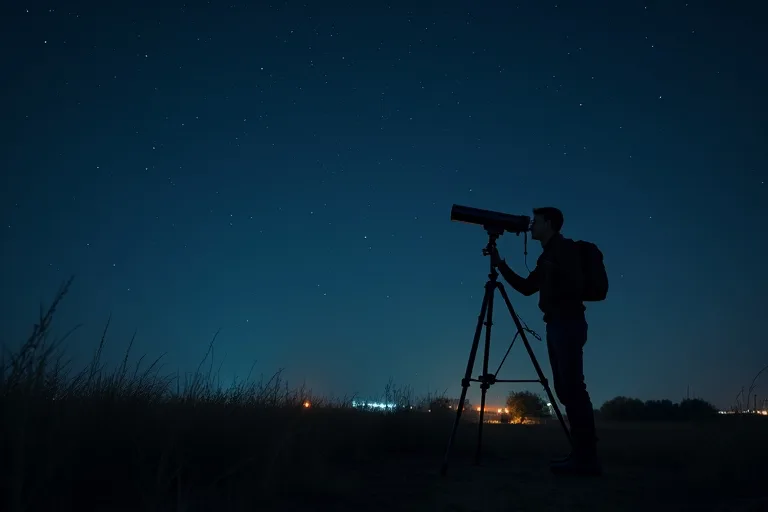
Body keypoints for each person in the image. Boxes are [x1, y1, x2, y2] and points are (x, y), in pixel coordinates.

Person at [489, 206, 601, 476]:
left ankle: (587, 459)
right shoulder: (548, 255)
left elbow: (573, 285)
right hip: (557, 325)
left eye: (536, 222)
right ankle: (581, 454)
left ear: (549, 223)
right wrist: (500, 264)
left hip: (568, 324)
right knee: (566, 390)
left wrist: (558, 290)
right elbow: (528, 288)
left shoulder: (563, 252)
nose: (531, 226)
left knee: (574, 390)